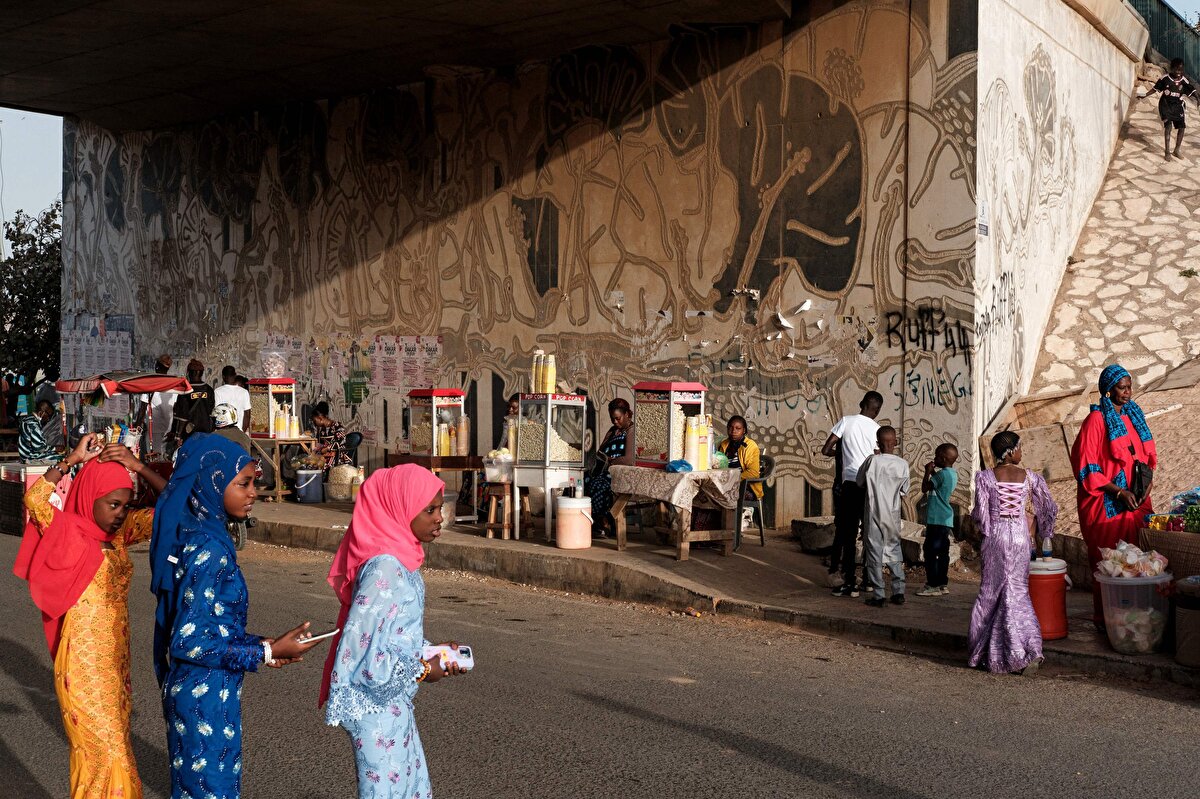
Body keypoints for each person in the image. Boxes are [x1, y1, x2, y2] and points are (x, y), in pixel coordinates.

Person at [150, 434, 321, 799]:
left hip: (209, 693)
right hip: (204, 699)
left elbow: (215, 626)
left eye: (254, 483)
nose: (253, 493)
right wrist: (265, 652)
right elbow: (189, 641)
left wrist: (265, 645)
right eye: (243, 484)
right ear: (211, 484)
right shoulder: (209, 549)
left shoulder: (201, 535)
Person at [13, 434, 167, 798]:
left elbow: (176, 509)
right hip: (82, 666)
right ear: (89, 496)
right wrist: (71, 460)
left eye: (125, 506)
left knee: (117, 750)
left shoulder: (120, 535)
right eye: (113, 504)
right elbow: (34, 500)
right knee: (105, 753)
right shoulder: (66, 529)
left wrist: (138, 466)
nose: (120, 514)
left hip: (115, 662)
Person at [320, 464, 466, 798]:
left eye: (440, 508)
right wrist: (424, 669)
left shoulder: (400, 558)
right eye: (429, 510)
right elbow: (361, 653)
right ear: (399, 508)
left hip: (392, 704)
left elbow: (393, 635)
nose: (439, 518)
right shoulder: (384, 568)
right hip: (374, 709)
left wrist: (431, 651)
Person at [1069, 364, 1156, 626]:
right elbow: (1086, 467)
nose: (1127, 392)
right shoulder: (1096, 421)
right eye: (1122, 388)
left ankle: (1137, 617)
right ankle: (1108, 620)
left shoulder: (1133, 416)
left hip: (1136, 501)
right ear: (1108, 390)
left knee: (1139, 560)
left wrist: (1146, 486)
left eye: (1129, 387)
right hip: (1108, 504)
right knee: (1110, 562)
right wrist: (1118, 492)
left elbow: (1145, 458)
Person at [968, 431, 1058, 675]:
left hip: (995, 538)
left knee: (990, 592)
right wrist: (1044, 532)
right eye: (1019, 448)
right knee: (1018, 592)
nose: (1021, 452)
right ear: (1009, 452)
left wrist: (984, 532)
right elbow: (1048, 508)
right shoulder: (1030, 477)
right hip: (1019, 538)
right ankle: (1029, 650)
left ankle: (985, 653)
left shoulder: (984, 477)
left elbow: (981, 515)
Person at [822, 391, 883, 597]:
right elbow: (877, 457)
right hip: (869, 485)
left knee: (847, 532)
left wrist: (841, 453)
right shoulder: (877, 429)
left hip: (848, 483)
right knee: (868, 532)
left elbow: (826, 449)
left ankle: (848, 578)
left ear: (861, 403)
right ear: (877, 410)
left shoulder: (846, 421)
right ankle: (867, 579)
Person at [856, 426, 909, 607]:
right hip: (893, 514)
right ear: (896, 442)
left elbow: (859, 482)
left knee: (874, 553)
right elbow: (904, 490)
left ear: (878, 443)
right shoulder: (902, 464)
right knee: (893, 549)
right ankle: (898, 591)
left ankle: (879, 594)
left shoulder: (872, 461)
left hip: (873, 513)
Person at [583, 398, 636, 538]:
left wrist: (611, 461)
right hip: (604, 470)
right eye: (612, 419)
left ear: (627, 414)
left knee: (599, 484)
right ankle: (584, 521)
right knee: (582, 480)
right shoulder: (612, 431)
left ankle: (604, 523)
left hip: (620, 474)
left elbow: (629, 459)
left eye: (618, 418)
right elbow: (600, 451)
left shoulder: (632, 431)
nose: (615, 422)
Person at [917, 443, 959, 597]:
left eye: (936, 456)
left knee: (930, 552)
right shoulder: (951, 474)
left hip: (936, 518)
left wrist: (927, 472)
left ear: (943, 458)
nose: (934, 459)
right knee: (942, 553)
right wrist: (933, 472)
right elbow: (939, 484)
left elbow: (925, 487)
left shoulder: (941, 474)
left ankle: (932, 585)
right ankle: (942, 583)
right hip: (945, 520)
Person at [1143, 57, 1197, 160]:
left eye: (1180, 70)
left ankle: (1177, 150)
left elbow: (1192, 89)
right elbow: (1155, 89)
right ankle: (1167, 152)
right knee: (1168, 127)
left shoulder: (1183, 81)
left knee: (1182, 128)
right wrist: (1145, 95)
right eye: (1176, 69)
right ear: (1171, 68)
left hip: (1178, 106)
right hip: (1166, 106)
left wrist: (1198, 99)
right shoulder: (1165, 79)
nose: (1178, 72)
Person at [137, 354, 177, 455]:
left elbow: (143, 408)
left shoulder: (151, 384)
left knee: (154, 458)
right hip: (169, 429)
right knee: (164, 458)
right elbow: (177, 408)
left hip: (154, 430)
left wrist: (137, 425)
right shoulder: (173, 384)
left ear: (157, 366)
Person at [170, 359, 215, 443]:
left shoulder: (186, 390)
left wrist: (178, 435)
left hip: (189, 431)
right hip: (206, 430)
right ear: (201, 373)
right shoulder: (209, 389)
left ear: (190, 373)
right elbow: (212, 411)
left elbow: (182, 415)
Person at [718, 415, 763, 499]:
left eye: (738, 428)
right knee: (708, 491)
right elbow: (719, 466)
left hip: (746, 487)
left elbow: (753, 473)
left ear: (744, 430)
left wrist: (732, 480)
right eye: (730, 428)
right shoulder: (724, 444)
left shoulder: (750, 446)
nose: (733, 431)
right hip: (726, 483)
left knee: (720, 495)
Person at [312, 401, 352, 468]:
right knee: (310, 464)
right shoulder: (322, 430)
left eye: (315, 420)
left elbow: (338, 443)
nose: (314, 423)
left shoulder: (338, 427)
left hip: (337, 456)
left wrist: (326, 449)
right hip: (325, 455)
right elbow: (320, 444)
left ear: (320, 418)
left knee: (319, 466)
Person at [214, 365, 252, 432]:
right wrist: (243, 431)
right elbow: (247, 414)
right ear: (235, 375)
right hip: (239, 431)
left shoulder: (217, 392)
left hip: (224, 432)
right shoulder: (244, 392)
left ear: (223, 377)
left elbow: (217, 413)